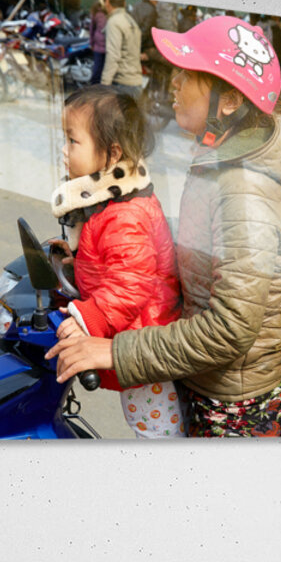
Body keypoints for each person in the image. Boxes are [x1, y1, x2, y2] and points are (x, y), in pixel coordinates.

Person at [48, 15, 281, 437]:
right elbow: (197, 252)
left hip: (233, 403)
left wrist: (115, 350)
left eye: (187, 75)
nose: (173, 84)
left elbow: (229, 329)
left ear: (227, 101)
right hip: (203, 376)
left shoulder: (244, 190)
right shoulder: (220, 158)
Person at [50, 85, 184, 437]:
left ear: (112, 154)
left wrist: (86, 319)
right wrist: (73, 260)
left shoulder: (125, 215)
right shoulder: (112, 201)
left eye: (72, 141)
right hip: (133, 332)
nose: (64, 152)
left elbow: (130, 284)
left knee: (155, 432)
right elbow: (110, 260)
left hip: (143, 345)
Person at [99, 0, 143, 98]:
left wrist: (103, 86)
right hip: (136, 83)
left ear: (107, 2)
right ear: (124, 3)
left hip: (122, 84)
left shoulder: (114, 22)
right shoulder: (130, 20)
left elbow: (113, 56)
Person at [87, 0, 107, 84]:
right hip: (99, 48)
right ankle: (94, 89)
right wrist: (91, 43)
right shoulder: (96, 12)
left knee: (104, 72)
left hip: (108, 48)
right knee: (97, 71)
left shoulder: (111, 13)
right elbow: (92, 29)